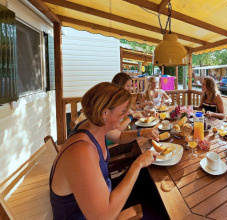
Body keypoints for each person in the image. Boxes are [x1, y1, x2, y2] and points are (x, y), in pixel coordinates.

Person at [50, 82, 161, 219]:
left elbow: (119, 136)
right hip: (89, 214)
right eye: (123, 111)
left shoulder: (93, 126)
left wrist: (141, 132)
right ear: (105, 112)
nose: (127, 113)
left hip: (103, 193)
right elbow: (104, 217)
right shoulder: (81, 152)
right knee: (157, 203)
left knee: (147, 178)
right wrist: (137, 164)